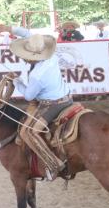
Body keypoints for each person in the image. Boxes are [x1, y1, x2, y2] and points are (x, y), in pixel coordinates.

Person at [9, 34, 72, 180]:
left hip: (52, 105)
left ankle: (54, 164)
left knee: (28, 132)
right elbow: (30, 35)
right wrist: (13, 30)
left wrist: (17, 82)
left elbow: (29, 96)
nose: (23, 58)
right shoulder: (52, 57)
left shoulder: (36, 75)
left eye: (25, 56)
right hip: (67, 98)